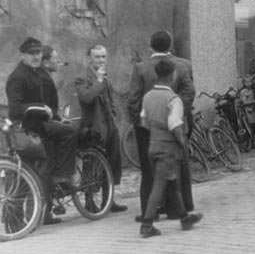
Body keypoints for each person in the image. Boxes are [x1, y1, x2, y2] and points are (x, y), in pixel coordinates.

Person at [6, 37, 78, 225]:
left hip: (39, 128)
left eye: (38, 53)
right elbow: (15, 109)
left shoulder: (36, 73)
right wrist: (40, 107)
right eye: (31, 53)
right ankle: (15, 220)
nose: (36, 56)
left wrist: (51, 112)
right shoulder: (18, 77)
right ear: (23, 55)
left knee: (36, 175)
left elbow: (47, 100)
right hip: (26, 132)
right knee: (24, 176)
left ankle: (36, 215)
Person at [128, 30, 196, 222]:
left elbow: (133, 100)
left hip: (149, 128)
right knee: (176, 167)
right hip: (176, 127)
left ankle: (151, 212)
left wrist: (142, 125)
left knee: (150, 170)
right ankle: (179, 210)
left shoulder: (140, 68)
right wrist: (176, 116)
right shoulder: (183, 65)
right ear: (170, 45)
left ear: (151, 46)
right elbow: (189, 93)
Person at [139, 59, 203, 238]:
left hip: (153, 145)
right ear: (173, 75)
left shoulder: (147, 96)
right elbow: (174, 125)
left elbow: (143, 121)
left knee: (172, 183)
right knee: (159, 185)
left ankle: (184, 218)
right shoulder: (174, 99)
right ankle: (147, 224)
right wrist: (183, 142)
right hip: (168, 148)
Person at [74, 45, 128, 212]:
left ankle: (109, 200)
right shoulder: (82, 78)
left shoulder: (105, 77)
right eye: (97, 57)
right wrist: (98, 80)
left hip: (109, 125)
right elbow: (87, 97)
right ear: (89, 59)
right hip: (93, 128)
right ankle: (89, 202)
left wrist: (113, 112)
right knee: (92, 165)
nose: (101, 60)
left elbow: (110, 98)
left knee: (111, 163)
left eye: (103, 56)